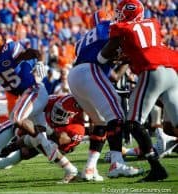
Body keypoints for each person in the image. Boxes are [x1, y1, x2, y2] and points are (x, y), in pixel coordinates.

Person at [0, 29, 77, 182]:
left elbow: (34, 52)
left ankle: (47, 141)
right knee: (39, 141)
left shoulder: (10, 50)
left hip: (34, 90)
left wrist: (40, 62)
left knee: (16, 118)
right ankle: (70, 169)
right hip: (26, 98)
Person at [97, 0, 178, 182]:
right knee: (175, 126)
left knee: (133, 123)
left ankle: (156, 168)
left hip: (152, 72)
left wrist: (103, 58)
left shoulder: (121, 27)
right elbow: (143, 46)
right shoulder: (153, 24)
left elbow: (105, 54)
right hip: (171, 72)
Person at [67, 9, 143, 181]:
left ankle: (89, 168)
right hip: (90, 71)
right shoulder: (109, 27)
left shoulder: (83, 40)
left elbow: (112, 74)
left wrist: (123, 61)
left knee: (101, 121)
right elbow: (103, 57)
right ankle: (117, 163)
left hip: (76, 75)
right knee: (116, 114)